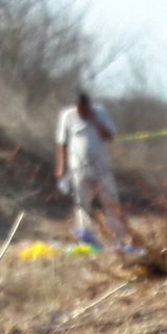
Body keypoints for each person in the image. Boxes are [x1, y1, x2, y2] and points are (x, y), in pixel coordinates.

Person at [55, 91, 134, 251]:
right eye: (81, 110)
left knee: (110, 201)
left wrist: (95, 120)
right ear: (76, 107)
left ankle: (119, 238)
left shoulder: (100, 113)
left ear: (89, 107)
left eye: (86, 109)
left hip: (101, 168)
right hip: (78, 169)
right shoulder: (67, 116)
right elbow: (61, 143)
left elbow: (109, 136)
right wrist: (61, 171)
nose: (83, 112)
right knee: (82, 204)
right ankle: (87, 238)